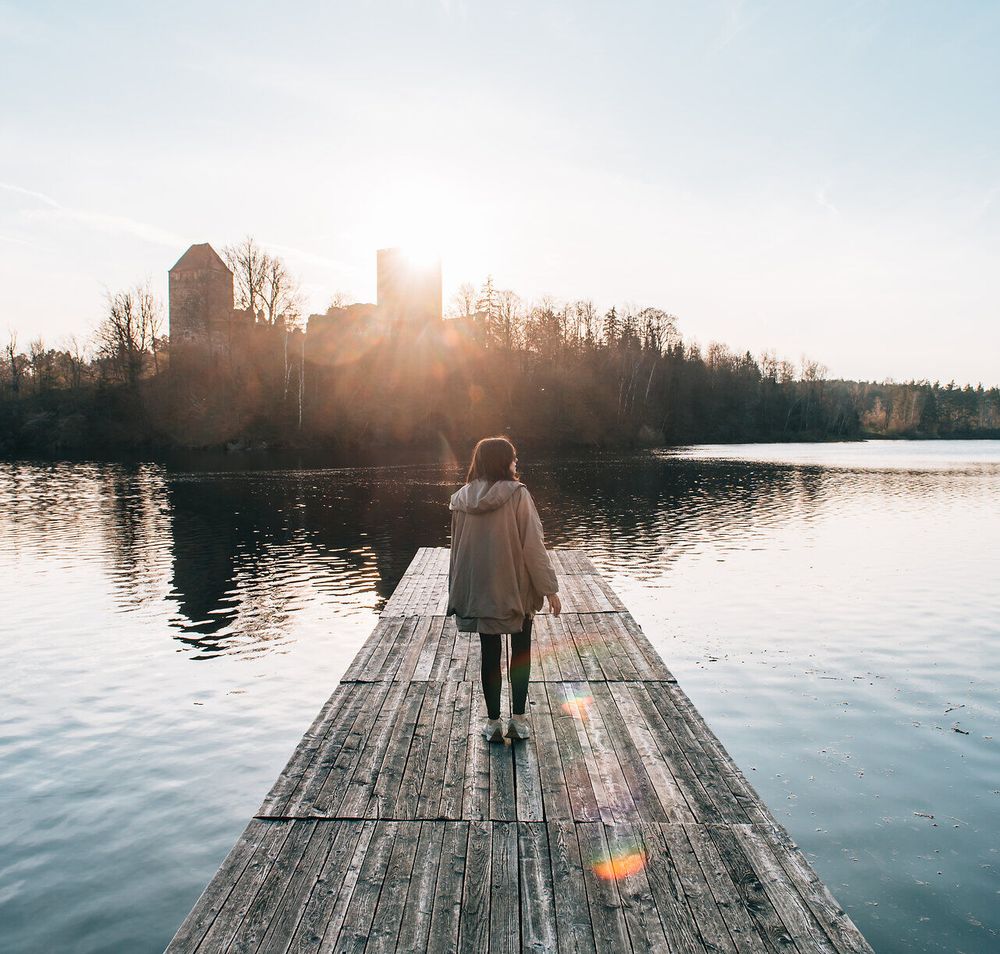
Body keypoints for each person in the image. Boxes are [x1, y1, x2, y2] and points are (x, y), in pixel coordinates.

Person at [447, 436, 561, 743]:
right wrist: (549, 589)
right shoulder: (518, 494)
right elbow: (533, 545)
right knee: (520, 653)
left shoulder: (461, 499)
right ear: (503, 461)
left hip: (481, 592)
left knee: (489, 655)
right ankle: (519, 721)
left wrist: (458, 593)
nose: (516, 462)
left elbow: (457, 553)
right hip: (516, 590)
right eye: (513, 457)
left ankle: (493, 723)